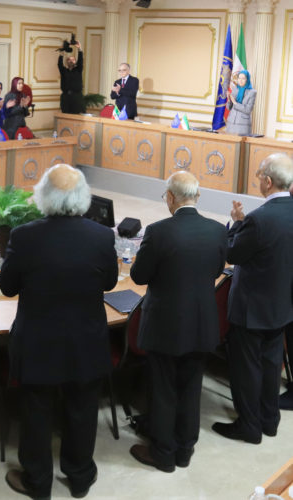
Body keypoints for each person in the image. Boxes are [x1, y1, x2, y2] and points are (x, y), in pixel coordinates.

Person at [0, 164, 118, 500]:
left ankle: (38, 483)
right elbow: (109, 282)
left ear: (43, 196)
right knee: (83, 410)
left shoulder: (25, 236)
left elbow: (7, 288)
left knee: (36, 413)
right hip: (86, 341)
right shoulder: (101, 236)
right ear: (83, 198)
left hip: (38, 342)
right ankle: (80, 478)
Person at [129, 171, 227, 473]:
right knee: (190, 387)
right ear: (196, 197)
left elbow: (138, 276)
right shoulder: (217, 230)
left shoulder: (158, 231)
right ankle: (184, 450)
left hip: (165, 325)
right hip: (202, 323)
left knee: (164, 390)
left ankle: (163, 454)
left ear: (170, 197)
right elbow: (215, 271)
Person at [212, 153, 293, 444]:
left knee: (246, 369)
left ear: (268, 181)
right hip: (282, 305)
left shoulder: (259, 219)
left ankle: (249, 426)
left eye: (259, 174)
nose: (258, 179)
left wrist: (236, 224)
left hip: (252, 309)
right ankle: (270, 421)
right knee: (271, 366)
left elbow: (232, 254)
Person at [225, 70, 256, 136]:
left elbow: (248, 110)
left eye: (243, 78)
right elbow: (229, 108)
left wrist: (235, 102)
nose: (240, 80)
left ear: (247, 79)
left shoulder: (252, 92)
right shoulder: (235, 89)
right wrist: (229, 100)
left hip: (243, 124)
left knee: (241, 145)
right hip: (231, 122)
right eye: (239, 78)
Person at [58, 39, 85, 114]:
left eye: (73, 60)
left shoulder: (78, 70)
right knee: (65, 115)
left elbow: (81, 61)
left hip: (76, 97)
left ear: (75, 62)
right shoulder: (64, 71)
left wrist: (79, 48)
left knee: (75, 115)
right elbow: (59, 64)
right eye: (69, 59)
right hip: (65, 97)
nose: (71, 61)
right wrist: (62, 53)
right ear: (67, 61)